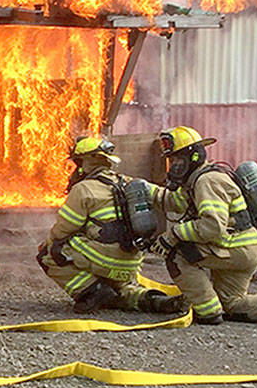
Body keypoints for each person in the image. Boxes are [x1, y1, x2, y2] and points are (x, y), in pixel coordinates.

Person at [148, 126, 257, 328]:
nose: (174, 166)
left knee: (177, 254)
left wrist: (172, 236)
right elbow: (175, 201)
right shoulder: (197, 181)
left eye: (178, 160)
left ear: (193, 157)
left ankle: (208, 312)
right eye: (172, 161)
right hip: (245, 247)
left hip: (235, 248)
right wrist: (141, 188)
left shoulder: (207, 181)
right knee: (232, 304)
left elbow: (212, 226)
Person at [37, 134, 184, 314]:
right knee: (121, 289)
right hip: (131, 263)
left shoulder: (83, 189)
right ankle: (153, 301)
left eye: (77, 163)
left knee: (48, 253)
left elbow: (63, 231)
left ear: (85, 162)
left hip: (103, 260)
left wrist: (47, 243)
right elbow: (172, 200)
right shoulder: (130, 182)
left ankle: (92, 291)